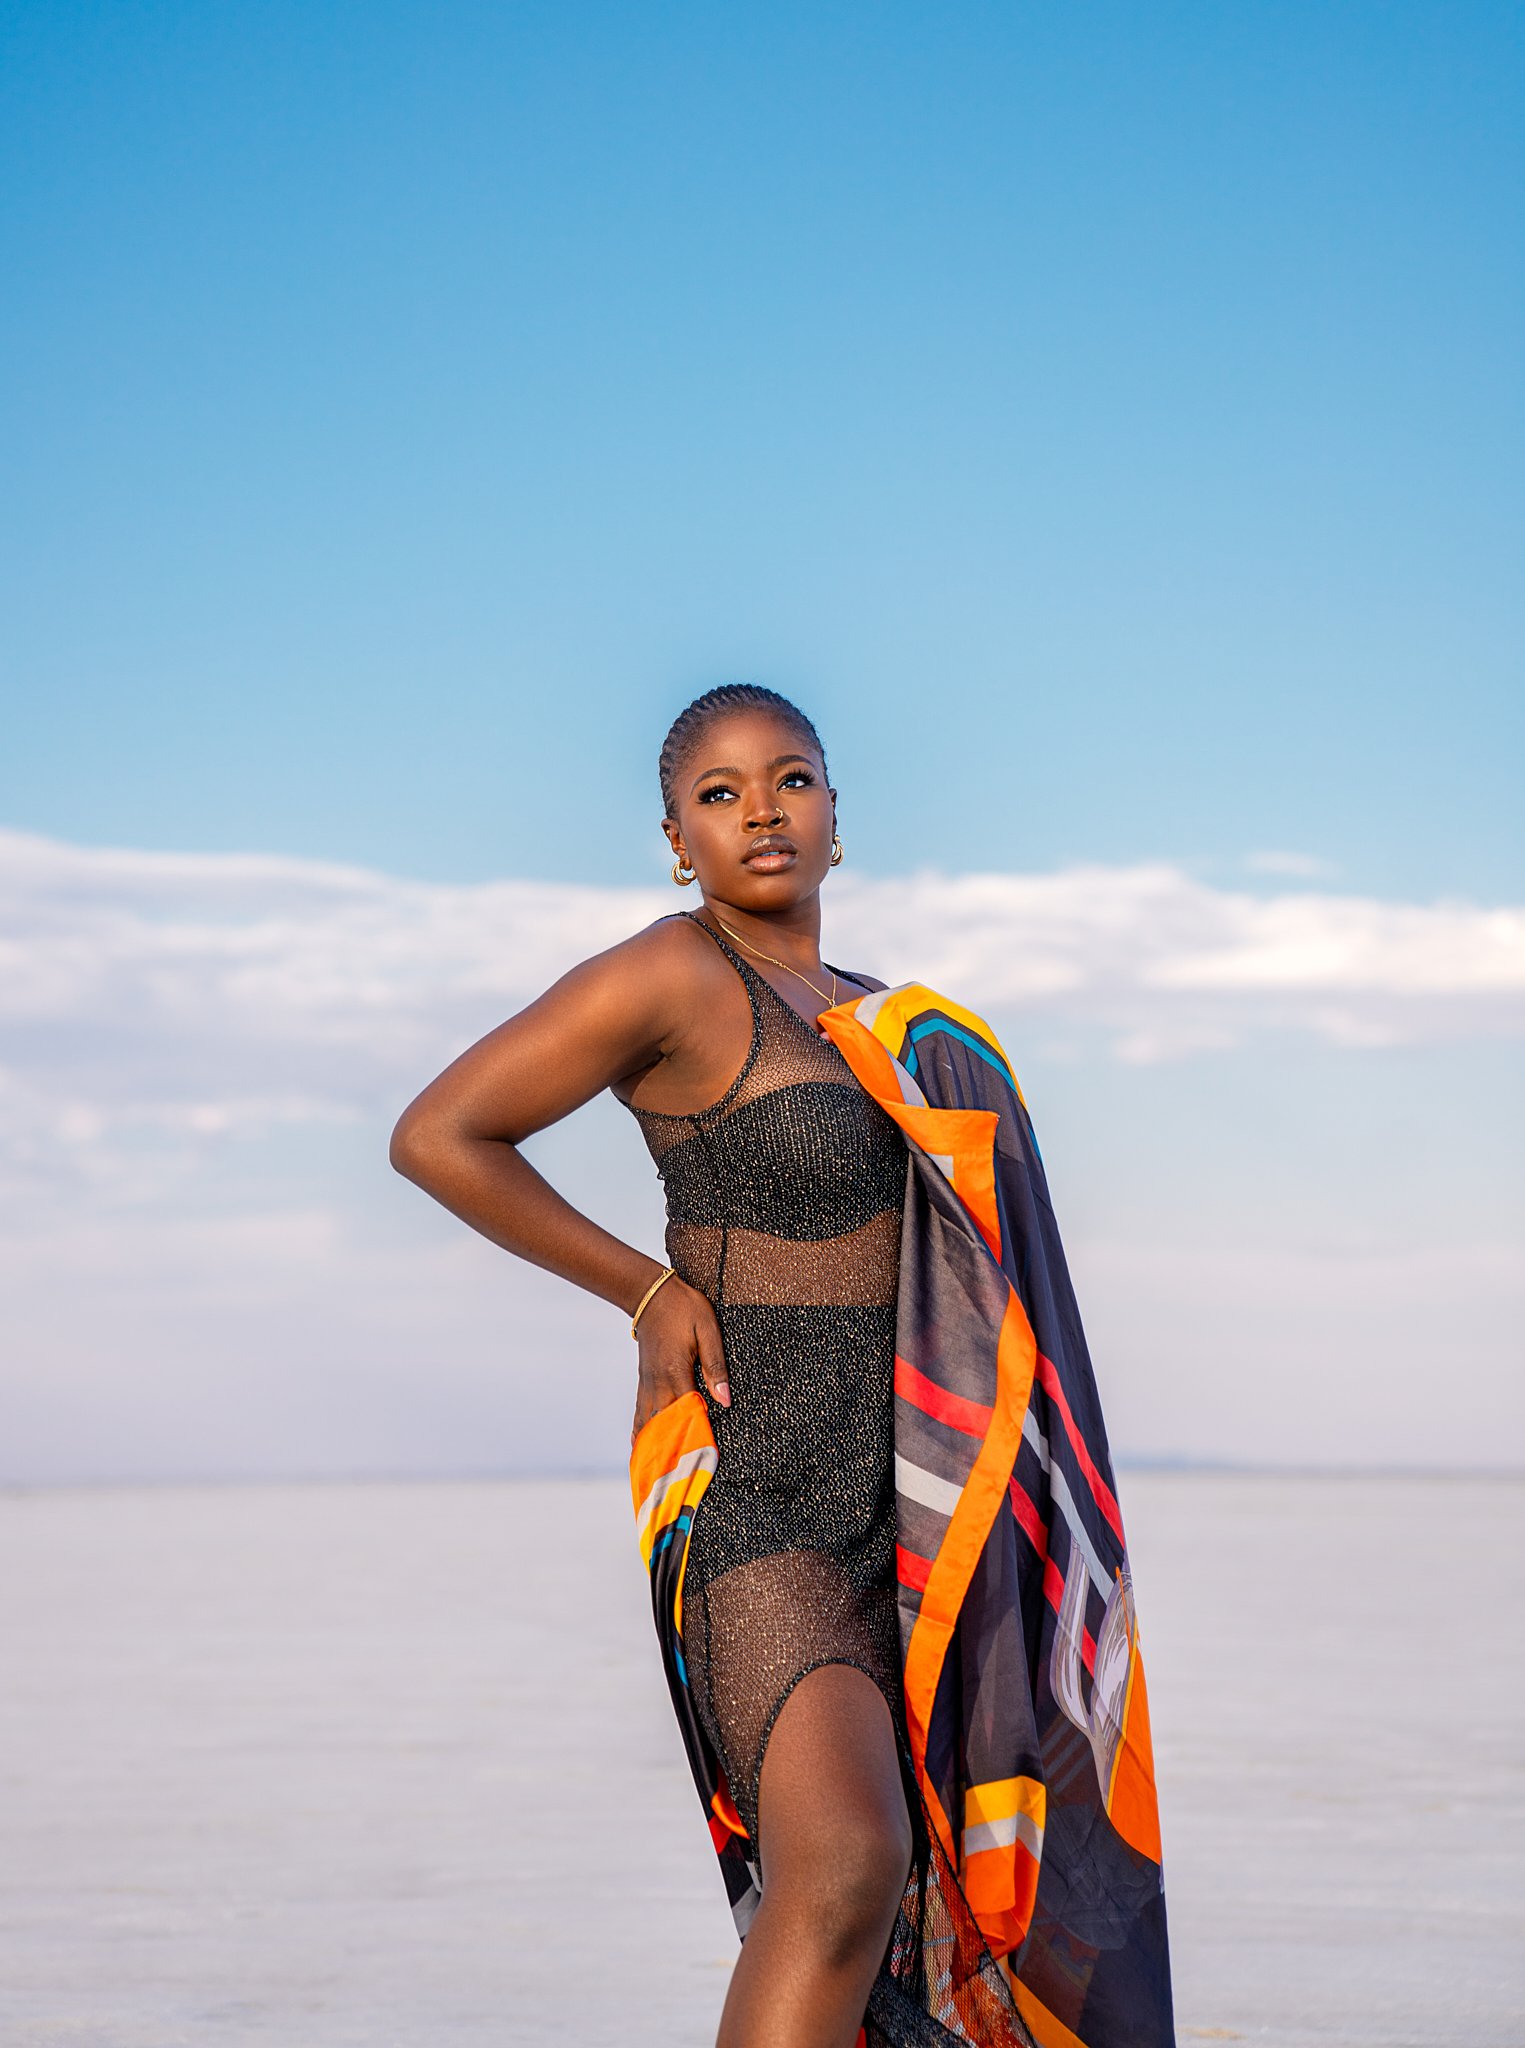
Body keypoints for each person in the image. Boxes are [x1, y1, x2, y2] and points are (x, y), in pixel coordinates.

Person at [390, 685, 1172, 2048]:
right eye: (718, 791)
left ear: (834, 817)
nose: (760, 809)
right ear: (675, 839)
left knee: (933, 1903)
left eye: (791, 778)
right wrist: (641, 1288)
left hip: (928, 1535)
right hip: (763, 1515)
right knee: (842, 1868)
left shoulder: (903, 1027)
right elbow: (441, 1133)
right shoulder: (672, 974)